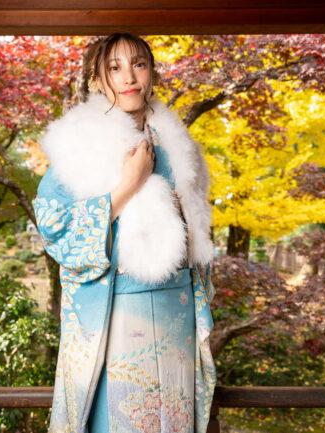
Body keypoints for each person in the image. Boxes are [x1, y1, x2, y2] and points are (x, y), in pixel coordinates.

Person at [33, 32, 216, 433]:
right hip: (116, 312)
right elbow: (56, 229)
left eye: (139, 64)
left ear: (152, 73)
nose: (128, 77)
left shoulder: (180, 146)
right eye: (114, 68)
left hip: (176, 312)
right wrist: (129, 185)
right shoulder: (78, 146)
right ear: (98, 80)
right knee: (121, 418)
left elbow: (198, 235)